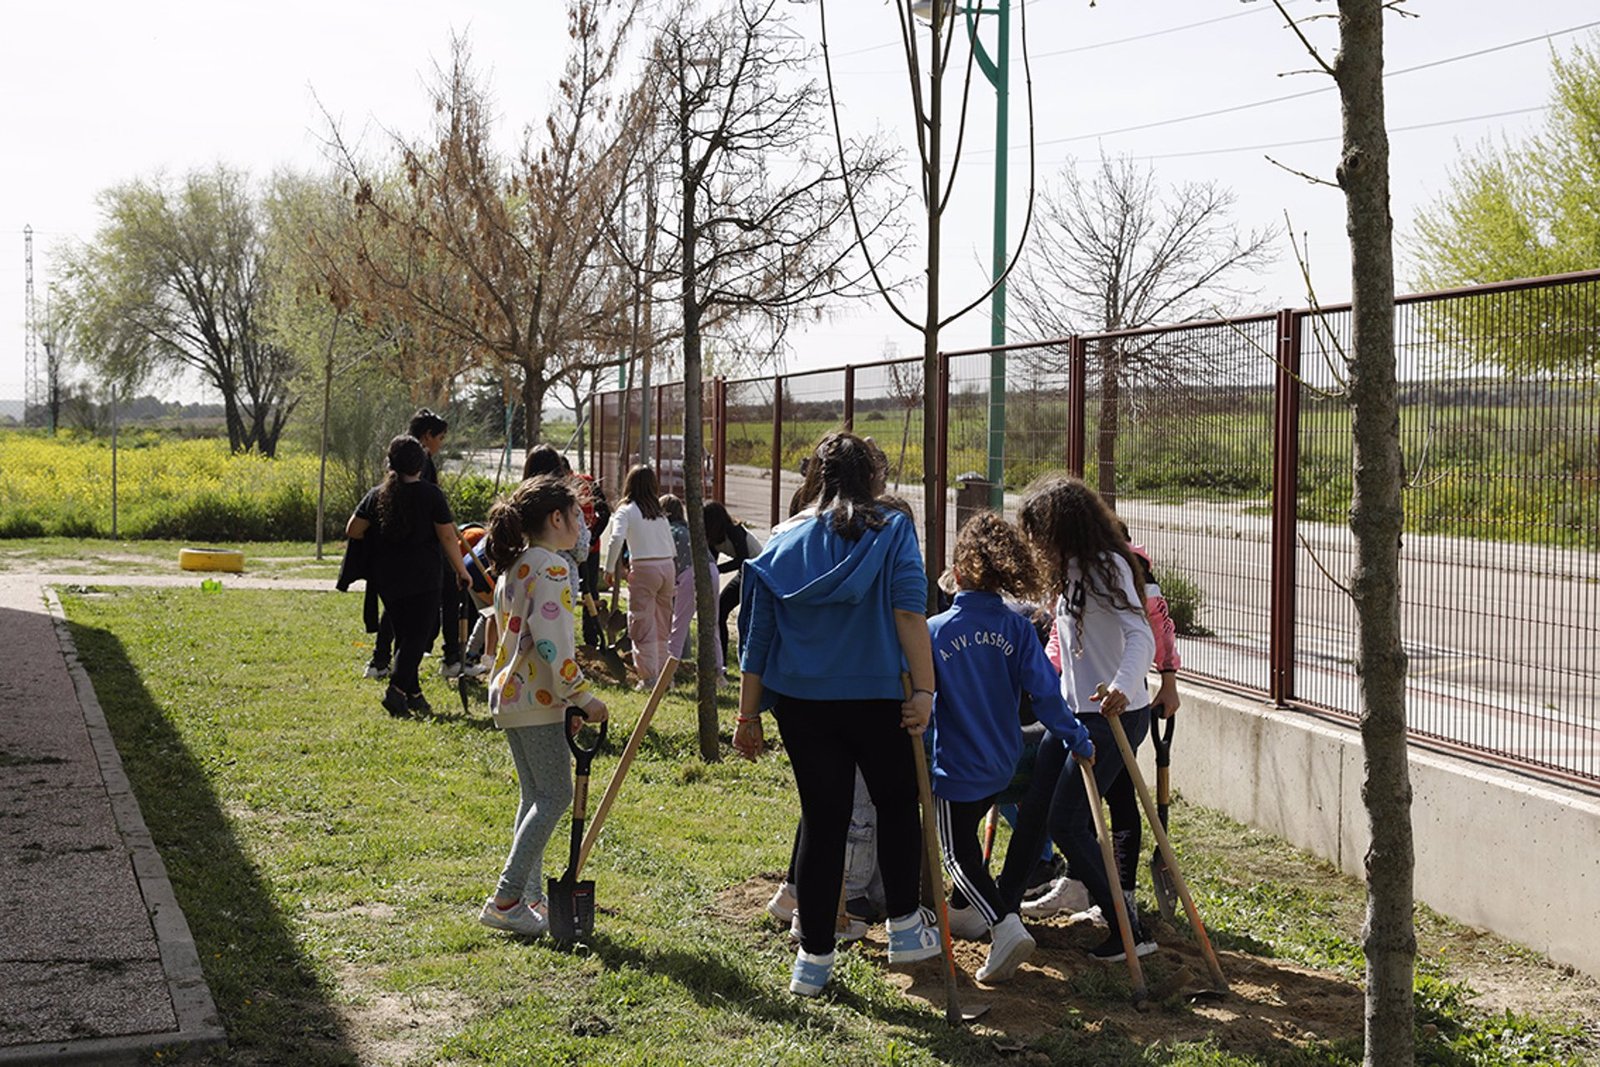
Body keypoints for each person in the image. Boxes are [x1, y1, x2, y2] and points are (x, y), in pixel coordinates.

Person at [733, 431, 941, 998]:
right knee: (898, 805)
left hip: (803, 705)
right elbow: (908, 614)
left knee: (822, 824)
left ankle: (813, 962)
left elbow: (758, 637)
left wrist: (748, 715)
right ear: (873, 476)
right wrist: (924, 690)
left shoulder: (781, 539)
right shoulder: (893, 529)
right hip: (878, 697)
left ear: (816, 477)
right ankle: (903, 925)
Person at [995, 474, 1159, 964]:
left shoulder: (1108, 565)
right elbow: (1064, 649)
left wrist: (1120, 686)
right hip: (1070, 716)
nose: (1034, 542)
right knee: (1034, 816)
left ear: (1064, 527)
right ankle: (1001, 910)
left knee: (1067, 823)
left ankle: (1130, 929)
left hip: (1113, 716)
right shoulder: (1066, 573)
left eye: (1039, 531)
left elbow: (1141, 636)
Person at [927, 512, 1095, 984]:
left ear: (957, 572)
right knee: (969, 834)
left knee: (956, 855)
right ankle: (967, 911)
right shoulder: (1019, 629)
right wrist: (1077, 737)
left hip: (953, 766)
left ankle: (1004, 924)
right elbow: (1047, 694)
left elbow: (919, 697)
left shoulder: (935, 630)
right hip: (1001, 762)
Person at [1028, 519, 1184, 922]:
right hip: (1084, 705)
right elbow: (1063, 638)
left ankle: (1123, 893)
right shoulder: (1078, 575)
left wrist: (1168, 679)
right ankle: (1080, 885)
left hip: (1122, 706)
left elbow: (1157, 632)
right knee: (1083, 804)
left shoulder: (1133, 575)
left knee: (1117, 799)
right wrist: (1049, 678)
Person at [475, 475, 608, 938]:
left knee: (535, 796)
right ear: (556, 518)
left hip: (512, 697)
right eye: (578, 516)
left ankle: (527, 898)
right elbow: (553, 645)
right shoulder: (550, 567)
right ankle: (507, 897)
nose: (582, 526)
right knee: (555, 796)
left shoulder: (517, 565)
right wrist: (582, 696)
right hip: (538, 697)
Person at [346, 435, 472, 718]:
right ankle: (396, 693)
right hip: (423, 576)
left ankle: (414, 696)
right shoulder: (430, 495)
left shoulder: (377, 495)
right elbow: (448, 536)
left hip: (388, 578)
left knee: (405, 637)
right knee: (420, 636)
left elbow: (353, 529)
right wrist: (462, 571)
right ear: (421, 464)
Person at [603, 466, 677, 688]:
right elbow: (671, 546)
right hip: (667, 567)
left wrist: (609, 569)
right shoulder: (659, 513)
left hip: (645, 569)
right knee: (663, 623)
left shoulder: (626, 510)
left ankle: (649, 678)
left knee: (642, 623)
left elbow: (616, 539)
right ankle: (666, 677)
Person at [661, 495, 723, 678]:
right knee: (713, 624)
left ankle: (668, 672)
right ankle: (718, 672)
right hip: (711, 570)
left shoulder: (669, 531)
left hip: (690, 574)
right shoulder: (690, 530)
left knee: (679, 624)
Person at [702, 502, 764, 668]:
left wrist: (717, 569)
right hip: (745, 572)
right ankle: (720, 660)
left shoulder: (734, 531)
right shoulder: (712, 537)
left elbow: (742, 559)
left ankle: (749, 661)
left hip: (758, 572)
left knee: (748, 618)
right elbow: (711, 563)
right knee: (720, 611)